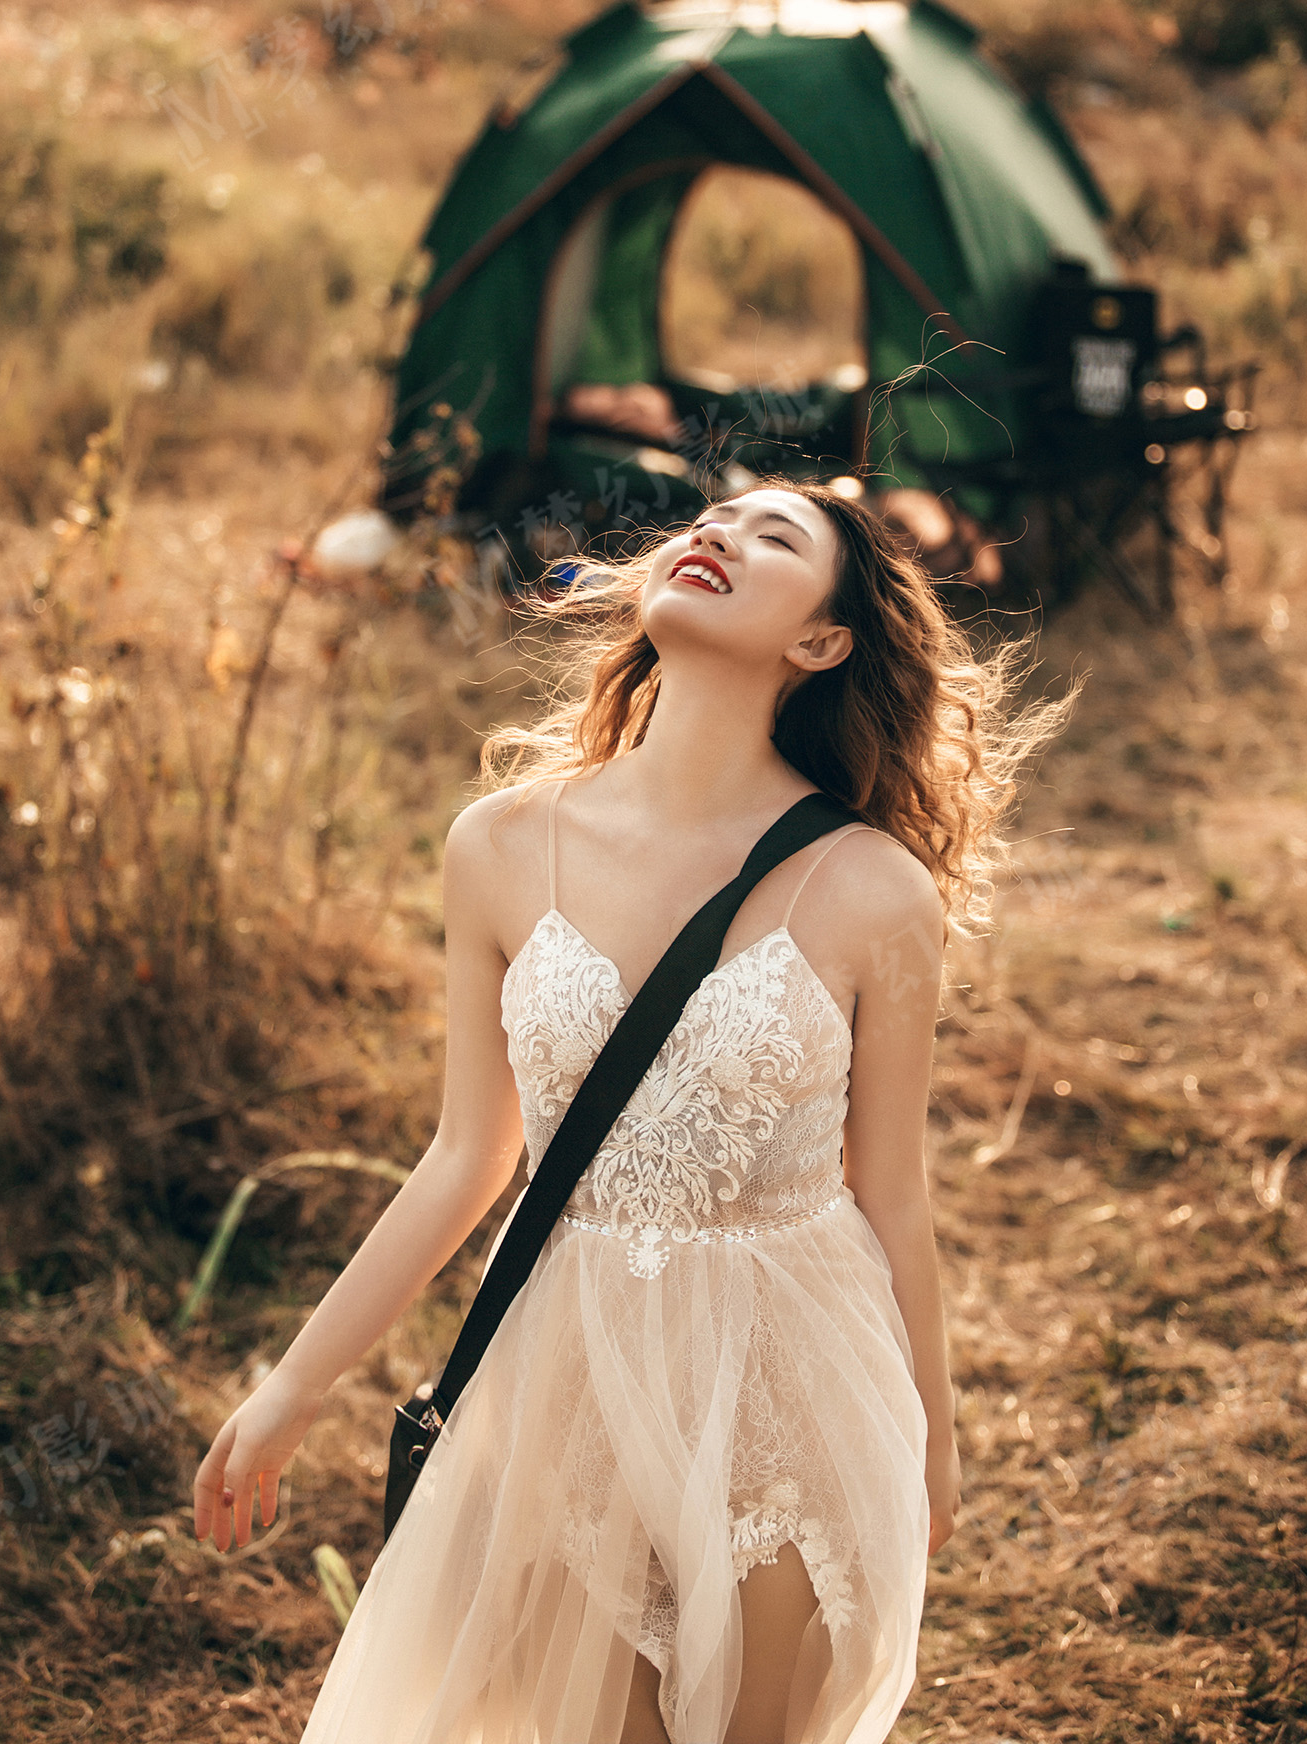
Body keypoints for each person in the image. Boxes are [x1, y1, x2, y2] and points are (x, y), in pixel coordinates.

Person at [194, 479, 1074, 1744]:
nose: (715, 533)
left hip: (788, 1379)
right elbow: (466, 1156)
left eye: (773, 537)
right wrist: (294, 1386)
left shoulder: (874, 888)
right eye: (711, 519)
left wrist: (931, 1432)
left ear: (820, 641)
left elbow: (893, 1193)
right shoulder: (499, 843)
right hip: (568, 1369)